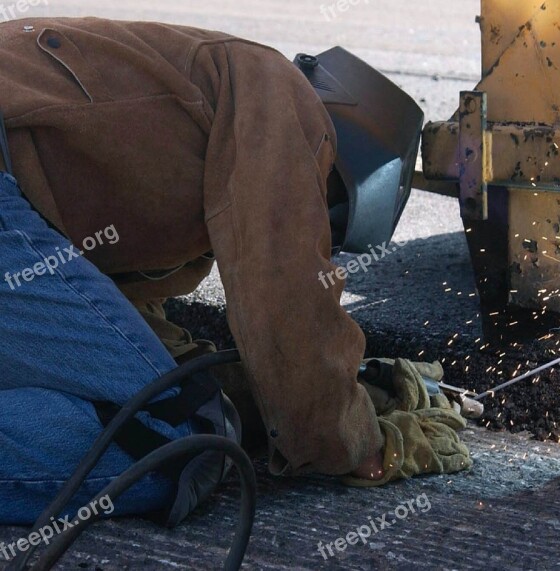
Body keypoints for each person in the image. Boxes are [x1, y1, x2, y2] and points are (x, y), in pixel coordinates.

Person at [0, 17, 471, 526]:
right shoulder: (285, 103)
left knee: (175, 407)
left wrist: (338, 390)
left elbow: (138, 342)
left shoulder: (176, 141)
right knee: (181, 438)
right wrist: (364, 446)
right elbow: (285, 299)